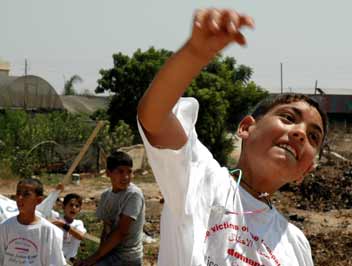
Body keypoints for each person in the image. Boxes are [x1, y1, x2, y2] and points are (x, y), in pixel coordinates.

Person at [137, 8, 328, 266]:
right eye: (288, 118)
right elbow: (155, 119)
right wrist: (195, 54)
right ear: (246, 128)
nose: (299, 133)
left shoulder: (295, 245)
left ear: (305, 171)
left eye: (313, 136)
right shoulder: (200, 180)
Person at [76, 151, 145, 266]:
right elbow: (106, 229)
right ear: (108, 173)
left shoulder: (133, 195)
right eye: (120, 172)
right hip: (111, 253)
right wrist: (99, 255)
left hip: (128, 257)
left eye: (129, 172)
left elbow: (121, 232)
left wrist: (94, 258)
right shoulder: (106, 196)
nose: (126, 177)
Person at [0, 178, 66, 266]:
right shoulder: (5, 227)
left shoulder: (47, 231)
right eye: (18, 193)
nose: (20, 198)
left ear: (38, 200)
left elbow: (54, 263)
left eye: (26, 194)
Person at [52, 193, 87, 264]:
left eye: (77, 206)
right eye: (71, 205)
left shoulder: (79, 223)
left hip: (69, 260)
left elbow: (80, 236)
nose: (74, 208)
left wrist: (64, 225)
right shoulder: (57, 217)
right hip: (55, 259)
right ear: (63, 206)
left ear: (79, 209)